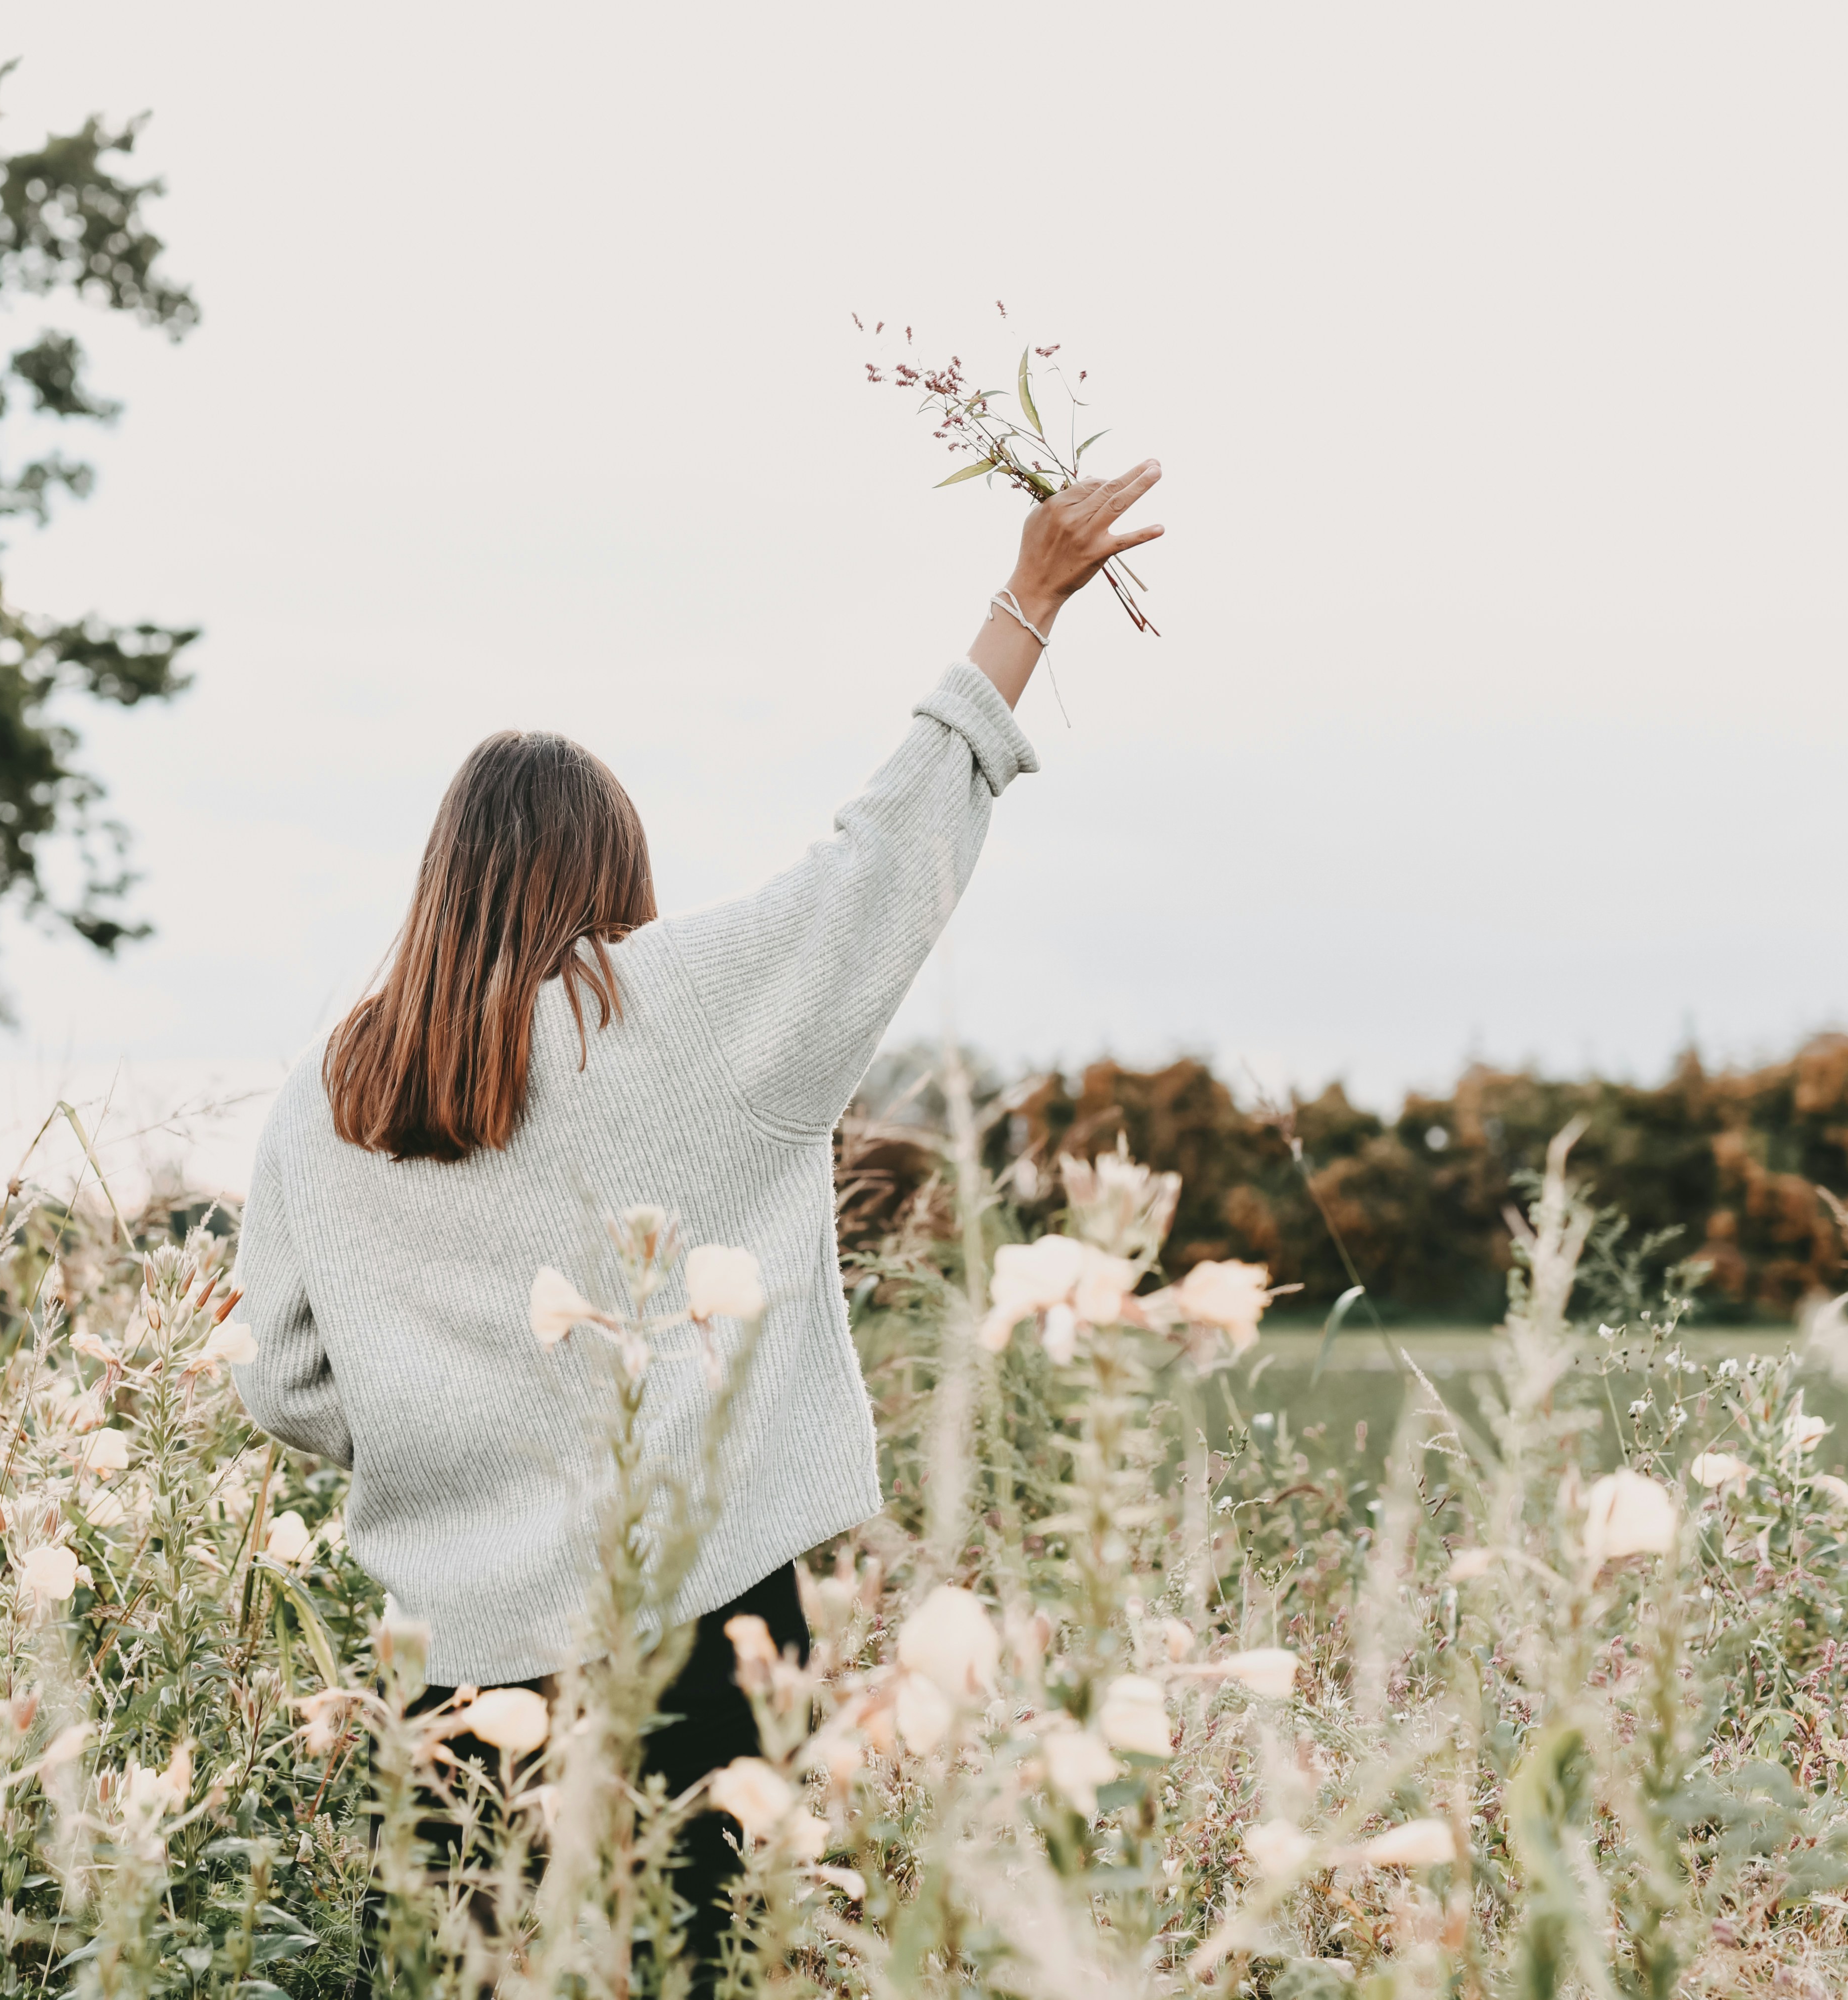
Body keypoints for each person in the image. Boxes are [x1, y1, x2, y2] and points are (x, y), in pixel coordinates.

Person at [230, 464, 1165, 1985]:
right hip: (712, 1650)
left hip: (455, 1678)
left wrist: (449, 1429)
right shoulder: (697, 1013)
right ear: (617, 874)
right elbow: (889, 856)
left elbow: (281, 1381)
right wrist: (1028, 605)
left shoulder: (325, 1093)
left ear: (441, 883)